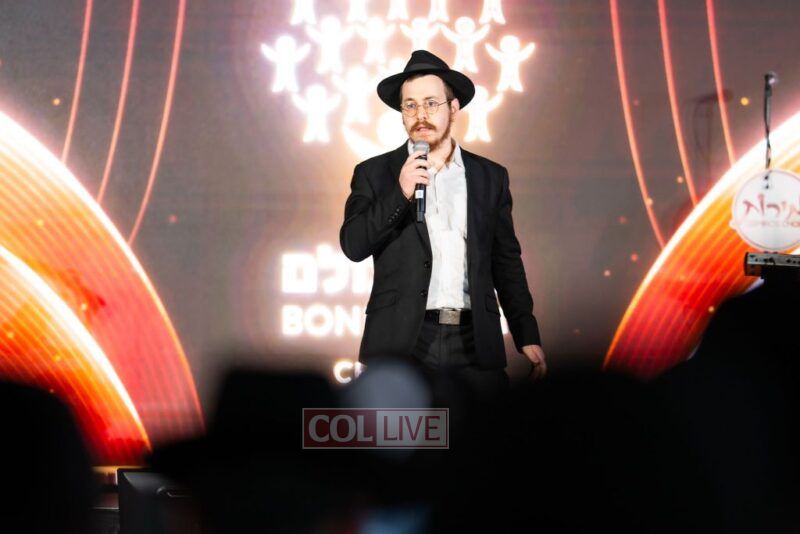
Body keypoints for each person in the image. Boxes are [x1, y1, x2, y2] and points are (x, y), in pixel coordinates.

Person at [339, 50, 545, 402]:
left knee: (483, 432)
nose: (420, 114)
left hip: (473, 337)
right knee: (405, 435)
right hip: (403, 338)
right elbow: (353, 245)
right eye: (410, 105)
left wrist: (526, 332)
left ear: (453, 108)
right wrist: (400, 192)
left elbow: (505, 260)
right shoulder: (374, 173)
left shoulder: (489, 177)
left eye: (431, 103)